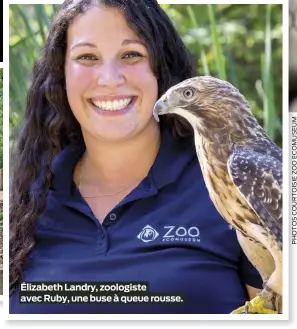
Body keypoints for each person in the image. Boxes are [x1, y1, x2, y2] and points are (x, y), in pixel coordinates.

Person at [9, 0, 263, 314]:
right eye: (87, 57)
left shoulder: (237, 185)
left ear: (162, 68)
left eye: (132, 54)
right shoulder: (20, 205)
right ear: (61, 74)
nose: (110, 78)